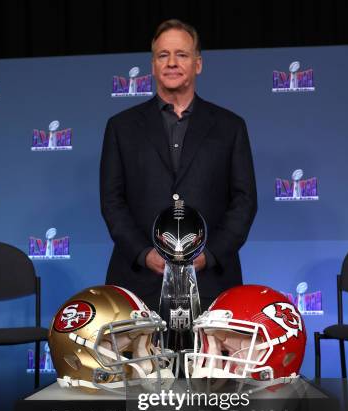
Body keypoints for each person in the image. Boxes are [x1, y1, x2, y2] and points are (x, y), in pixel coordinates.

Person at [100, 19, 257, 312]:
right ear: (153, 65)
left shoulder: (230, 127)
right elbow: (112, 202)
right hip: (138, 283)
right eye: (163, 55)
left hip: (211, 282)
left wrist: (209, 255)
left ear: (198, 64)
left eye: (181, 55)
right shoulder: (121, 127)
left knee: (208, 361)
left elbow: (244, 201)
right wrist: (144, 253)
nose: (172, 63)